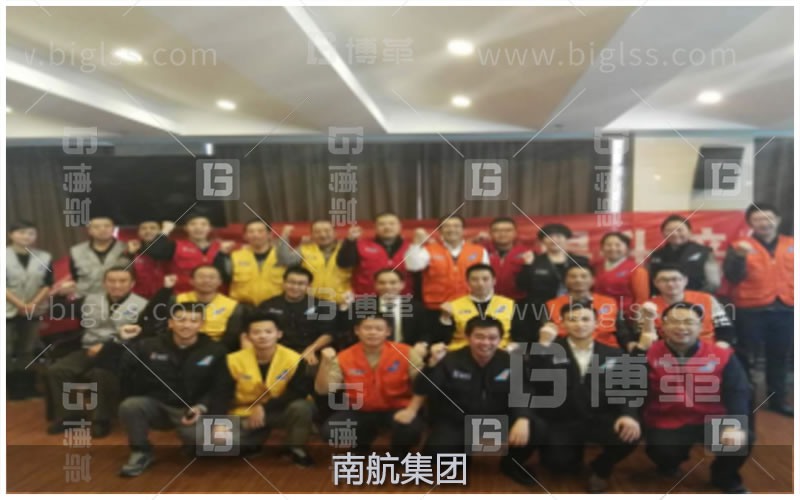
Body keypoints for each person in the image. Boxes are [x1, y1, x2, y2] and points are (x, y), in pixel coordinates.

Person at [399, 315, 542, 486]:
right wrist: (431, 365)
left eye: (492, 338)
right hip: (458, 422)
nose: (486, 343)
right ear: (468, 337)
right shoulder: (450, 359)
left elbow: (524, 391)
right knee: (439, 452)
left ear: (500, 339)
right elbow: (424, 388)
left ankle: (511, 465)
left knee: (536, 427)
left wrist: (523, 418)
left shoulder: (511, 361)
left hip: (497, 421)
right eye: (479, 337)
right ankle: (462, 455)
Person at [635, 302, 752, 494]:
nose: (681, 327)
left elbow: (737, 392)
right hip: (667, 418)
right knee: (662, 451)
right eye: (674, 322)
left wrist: (735, 425)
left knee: (741, 439)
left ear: (701, 327)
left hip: (712, 418)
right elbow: (632, 388)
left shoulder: (722, 355)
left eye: (689, 322)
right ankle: (669, 463)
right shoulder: (649, 353)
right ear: (663, 326)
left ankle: (724, 477)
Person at [529, 303, 640, 493]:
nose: (579, 324)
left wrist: (628, 415)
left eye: (585, 319)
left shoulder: (615, 353)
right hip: (563, 419)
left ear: (597, 323)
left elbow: (628, 388)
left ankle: (602, 467)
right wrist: (542, 347)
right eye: (572, 320)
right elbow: (533, 380)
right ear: (562, 324)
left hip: (599, 417)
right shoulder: (548, 349)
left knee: (630, 434)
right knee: (559, 466)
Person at [117, 302, 229, 477]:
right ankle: (141, 451)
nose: (186, 325)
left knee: (221, 445)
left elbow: (221, 388)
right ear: (170, 323)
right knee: (130, 406)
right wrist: (123, 342)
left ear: (201, 325)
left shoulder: (216, 350)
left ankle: (192, 443)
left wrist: (203, 406)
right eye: (181, 320)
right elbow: (120, 367)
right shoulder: (148, 345)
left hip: (194, 410)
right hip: (158, 406)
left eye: (193, 321)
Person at [46, 267, 148, 438]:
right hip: (89, 348)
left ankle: (101, 419)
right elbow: (57, 312)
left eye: (122, 281)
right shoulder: (90, 299)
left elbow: (141, 337)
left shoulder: (143, 305)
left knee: (101, 374)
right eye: (111, 281)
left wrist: (107, 346)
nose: (116, 285)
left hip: (121, 351)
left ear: (132, 284)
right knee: (57, 370)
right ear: (104, 283)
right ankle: (70, 416)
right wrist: (60, 296)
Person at [213, 312, 315, 465]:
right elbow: (221, 393)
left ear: (279, 334)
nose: (263, 336)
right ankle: (254, 441)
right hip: (245, 412)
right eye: (256, 332)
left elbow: (297, 392)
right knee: (215, 443)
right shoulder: (232, 360)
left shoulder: (294, 359)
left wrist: (263, 408)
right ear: (247, 336)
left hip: (279, 410)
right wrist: (218, 422)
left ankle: (295, 448)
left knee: (301, 407)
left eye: (268, 332)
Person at [316, 314, 424, 456]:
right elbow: (323, 390)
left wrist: (411, 410)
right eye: (367, 328)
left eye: (378, 329)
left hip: (396, 408)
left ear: (388, 332)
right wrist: (325, 363)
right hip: (360, 410)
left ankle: (398, 452)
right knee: (330, 432)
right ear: (357, 330)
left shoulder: (406, 352)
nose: (372, 332)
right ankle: (362, 441)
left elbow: (423, 386)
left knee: (411, 429)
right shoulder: (344, 357)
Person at [723, 203, 793, 417]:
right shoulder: (739, 246)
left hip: (785, 308)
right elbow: (732, 276)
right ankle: (746, 400)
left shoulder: (792, 244)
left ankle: (777, 400)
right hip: (750, 310)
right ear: (750, 223)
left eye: (768, 218)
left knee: (779, 357)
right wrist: (739, 257)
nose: (764, 223)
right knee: (747, 357)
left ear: (778, 220)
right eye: (758, 219)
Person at [337, 268, 446, 351]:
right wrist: (344, 307)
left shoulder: (415, 307)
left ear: (402, 285)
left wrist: (423, 344)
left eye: (393, 283)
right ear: (375, 285)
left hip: (406, 352)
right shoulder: (363, 306)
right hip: (372, 352)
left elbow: (426, 332)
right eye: (382, 283)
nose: (387, 287)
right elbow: (347, 330)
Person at [143, 266, 245, 352]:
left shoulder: (233, 306)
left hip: (215, 350)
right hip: (177, 347)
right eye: (201, 277)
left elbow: (231, 337)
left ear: (220, 282)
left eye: (212, 277)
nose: (206, 280)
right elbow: (161, 324)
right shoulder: (177, 300)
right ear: (191, 281)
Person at [6, 221, 53, 399]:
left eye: (31, 233)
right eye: (21, 232)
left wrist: (32, 304)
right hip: (7, 310)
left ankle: (26, 386)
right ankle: (11, 389)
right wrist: (20, 305)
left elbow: (47, 283)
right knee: (6, 350)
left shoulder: (44, 256)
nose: (26, 236)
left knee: (27, 349)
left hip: (34, 309)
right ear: (11, 234)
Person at [404, 215, 489, 310]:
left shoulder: (479, 251)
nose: (452, 229)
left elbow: (487, 279)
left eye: (456, 226)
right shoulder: (429, 250)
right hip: (436, 306)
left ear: (463, 230)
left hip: (469, 305)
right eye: (447, 226)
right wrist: (416, 244)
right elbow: (412, 266)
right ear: (440, 231)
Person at [257, 266, 337, 366]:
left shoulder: (322, 306)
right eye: (291, 282)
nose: (295, 287)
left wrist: (311, 349)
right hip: (275, 353)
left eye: (301, 284)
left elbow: (329, 334)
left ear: (309, 286)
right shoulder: (268, 305)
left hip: (309, 351)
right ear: (284, 283)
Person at [516, 223, 591, 329]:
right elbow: (521, 286)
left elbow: (590, 286)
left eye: (559, 236)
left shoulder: (580, 261)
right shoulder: (534, 261)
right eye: (549, 237)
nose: (554, 240)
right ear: (543, 241)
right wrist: (527, 266)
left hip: (575, 309)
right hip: (540, 311)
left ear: (566, 239)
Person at [541, 265, 633, 350]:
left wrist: (631, 345)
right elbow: (547, 333)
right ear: (565, 280)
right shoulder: (551, 305)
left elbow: (622, 332)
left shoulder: (609, 302)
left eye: (584, 276)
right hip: (567, 351)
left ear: (593, 280)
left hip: (606, 349)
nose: (578, 280)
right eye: (573, 276)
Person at [642, 265, 734, 347]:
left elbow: (724, 328)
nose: (670, 284)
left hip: (709, 347)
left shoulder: (707, 299)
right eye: (664, 280)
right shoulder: (648, 306)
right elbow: (645, 337)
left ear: (685, 280)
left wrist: (720, 348)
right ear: (655, 283)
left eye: (675, 279)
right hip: (668, 351)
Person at [146, 213, 233, 294]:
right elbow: (153, 251)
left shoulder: (222, 247)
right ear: (186, 228)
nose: (198, 228)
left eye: (203, 224)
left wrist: (223, 255)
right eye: (193, 224)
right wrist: (165, 231)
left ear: (210, 228)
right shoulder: (175, 246)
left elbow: (228, 275)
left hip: (214, 297)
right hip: (182, 296)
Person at [439, 263, 516, 350]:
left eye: (485, 279)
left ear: (494, 281)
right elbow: (444, 339)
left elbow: (520, 337)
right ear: (467, 282)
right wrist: (445, 318)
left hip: (501, 350)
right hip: (462, 351)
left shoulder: (511, 305)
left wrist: (512, 350)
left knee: (519, 354)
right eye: (474, 280)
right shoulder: (452, 306)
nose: (480, 284)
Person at [278, 220, 352, 305]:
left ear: (335, 233)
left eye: (327, 231)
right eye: (317, 232)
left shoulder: (348, 249)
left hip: (341, 301)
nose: (323, 235)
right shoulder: (305, 249)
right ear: (311, 235)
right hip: (311, 302)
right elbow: (285, 261)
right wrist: (285, 236)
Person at [336, 212, 412, 296]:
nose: (387, 227)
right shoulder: (360, 245)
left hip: (404, 297)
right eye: (382, 224)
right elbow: (344, 264)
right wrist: (350, 241)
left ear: (400, 226)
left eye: (392, 223)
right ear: (375, 227)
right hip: (366, 297)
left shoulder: (411, 246)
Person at [648, 214, 720, 293]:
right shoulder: (656, 255)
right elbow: (651, 281)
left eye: (679, 230)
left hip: (698, 297)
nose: (675, 233)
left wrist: (695, 297)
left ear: (689, 231)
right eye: (669, 230)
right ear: (663, 233)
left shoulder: (704, 252)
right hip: (664, 298)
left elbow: (713, 283)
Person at [223, 219, 287, 307]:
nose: (255, 235)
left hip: (276, 306)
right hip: (243, 307)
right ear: (245, 236)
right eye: (251, 232)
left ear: (269, 235)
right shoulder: (233, 257)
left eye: (260, 231)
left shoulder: (283, 256)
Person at [66, 215, 130, 298]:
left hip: (118, 298)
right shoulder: (77, 251)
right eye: (96, 227)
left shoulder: (127, 248)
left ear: (113, 228)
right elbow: (75, 277)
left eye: (107, 226)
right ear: (89, 231)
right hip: (86, 298)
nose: (102, 229)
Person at [592, 232, 649, 320]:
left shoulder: (636, 269)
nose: (613, 248)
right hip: (597, 314)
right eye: (608, 245)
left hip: (623, 317)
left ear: (627, 248)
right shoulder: (595, 266)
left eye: (618, 245)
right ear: (602, 248)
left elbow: (641, 299)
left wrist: (636, 319)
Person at [478, 216, 529, 301]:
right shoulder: (479, 251)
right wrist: (473, 239)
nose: (502, 234)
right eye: (497, 231)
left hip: (517, 301)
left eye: (508, 230)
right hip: (486, 299)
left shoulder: (527, 252)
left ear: (515, 233)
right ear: (490, 233)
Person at [126, 219, 168, 299]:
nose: (148, 231)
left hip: (164, 295)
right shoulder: (132, 248)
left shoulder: (169, 247)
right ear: (138, 232)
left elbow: (157, 253)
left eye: (153, 228)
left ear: (160, 231)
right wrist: (130, 254)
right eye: (143, 228)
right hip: (137, 295)